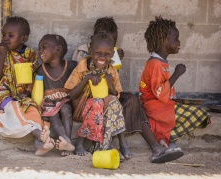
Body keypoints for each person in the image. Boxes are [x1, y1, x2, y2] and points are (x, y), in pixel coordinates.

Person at [70, 17, 184, 163]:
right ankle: (95, 143)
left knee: (128, 101)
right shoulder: (83, 60)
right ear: (92, 45)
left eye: (109, 47)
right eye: (101, 43)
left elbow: (115, 93)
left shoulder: (110, 66)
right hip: (85, 104)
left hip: (106, 101)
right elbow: (72, 92)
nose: (104, 53)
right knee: (100, 103)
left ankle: (147, 145)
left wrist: (112, 77)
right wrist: (88, 77)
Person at [140, 16, 210, 150]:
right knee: (200, 114)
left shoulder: (160, 61)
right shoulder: (155, 64)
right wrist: (177, 74)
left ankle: (163, 137)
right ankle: (166, 137)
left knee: (194, 112)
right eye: (176, 38)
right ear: (163, 40)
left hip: (162, 104)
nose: (179, 42)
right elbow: (160, 92)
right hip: (156, 107)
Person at [0, 16, 54, 156]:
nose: (5, 38)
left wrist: (34, 71)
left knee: (33, 108)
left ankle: (39, 145)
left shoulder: (30, 53)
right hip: (2, 95)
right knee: (14, 108)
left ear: (23, 39)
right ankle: (38, 133)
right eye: (3, 35)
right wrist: (1, 55)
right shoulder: (0, 52)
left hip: (22, 94)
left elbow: (33, 79)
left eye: (11, 36)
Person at [65, 32, 126, 158]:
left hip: (103, 109)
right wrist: (86, 79)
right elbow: (71, 95)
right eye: (98, 53)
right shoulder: (82, 67)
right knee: (97, 101)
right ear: (90, 51)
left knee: (114, 101)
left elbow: (116, 95)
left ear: (112, 55)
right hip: (81, 108)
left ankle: (119, 143)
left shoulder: (112, 71)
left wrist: (110, 84)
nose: (102, 57)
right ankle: (81, 142)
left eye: (107, 54)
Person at [37, 34, 77, 156]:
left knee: (66, 109)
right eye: (39, 49)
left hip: (66, 102)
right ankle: (66, 140)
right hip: (50, 104)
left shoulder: (71, 66)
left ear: (58, 49)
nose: (40, 51)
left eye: (43, 47)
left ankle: (66, 142)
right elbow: (35, 89)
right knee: (53, 114)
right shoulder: (40, 70)